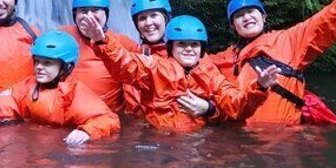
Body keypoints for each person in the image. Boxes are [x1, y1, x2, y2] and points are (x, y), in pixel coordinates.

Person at [81, 14, 281, 132]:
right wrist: (102, 41)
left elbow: (237, 105)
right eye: (182, 44)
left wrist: (259, 87)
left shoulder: (211, 74)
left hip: (196, 144)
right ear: (171, 48)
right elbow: (125, 63)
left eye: (194, 45)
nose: (188, 49)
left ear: (202, 49)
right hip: (158, 142)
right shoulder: (155, 68)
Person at [0, 31, 120, 145]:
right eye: (37, 61)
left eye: (48, 63)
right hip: (32, 146)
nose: (39, 67)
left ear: (67, 67)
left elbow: (107, 119)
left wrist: (87, 131)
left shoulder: (74, 92)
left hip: (62, 151)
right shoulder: (27, 86)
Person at [57, 0, 141, 112]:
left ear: (106, 14)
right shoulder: (61, 36)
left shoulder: (126, 44)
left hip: (108, 115)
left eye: (95, 10)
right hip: (68, 112)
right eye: (83, 11)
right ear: (75, 14)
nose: (89, 16)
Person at [124, 0, 171, 115]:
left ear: (166, 18)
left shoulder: (186, 54)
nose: (148, 23)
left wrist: (209, 108)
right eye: (142, 18)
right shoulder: (133, 55)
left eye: (153, 15)